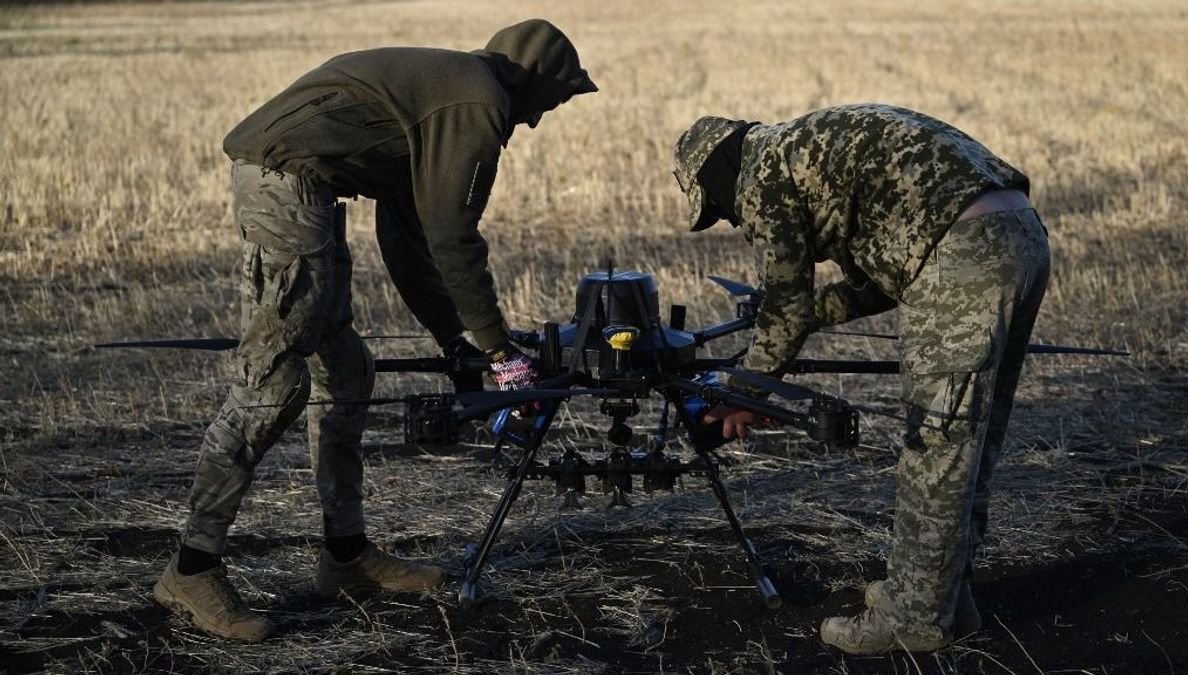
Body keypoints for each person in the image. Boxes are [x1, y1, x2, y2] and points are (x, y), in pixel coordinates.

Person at [153, 19, 597, 642]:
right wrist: (502, 355)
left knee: (348, 370)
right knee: (273, 385)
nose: (537, 121)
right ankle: (191, 569)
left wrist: (455, 344)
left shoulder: (450, 94)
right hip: (286, 183)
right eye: (551, 102)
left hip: (311, 190)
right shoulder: (479, 101)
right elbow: (455, 241)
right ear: (533, 81)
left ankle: (346, 557)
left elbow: (408, 239)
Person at [672, 104, 1050, 654]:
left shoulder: (760, 174)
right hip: (1020, 237)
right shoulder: (809, 147)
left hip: (963, 256)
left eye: (719, 208)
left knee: (935, 444)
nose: (732, 219)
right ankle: (944, 596)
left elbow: (785, 305)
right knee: (970, 438)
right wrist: (808, 312)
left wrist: (745, 393)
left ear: (715, 172)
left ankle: (914, 621)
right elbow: (876, 282)